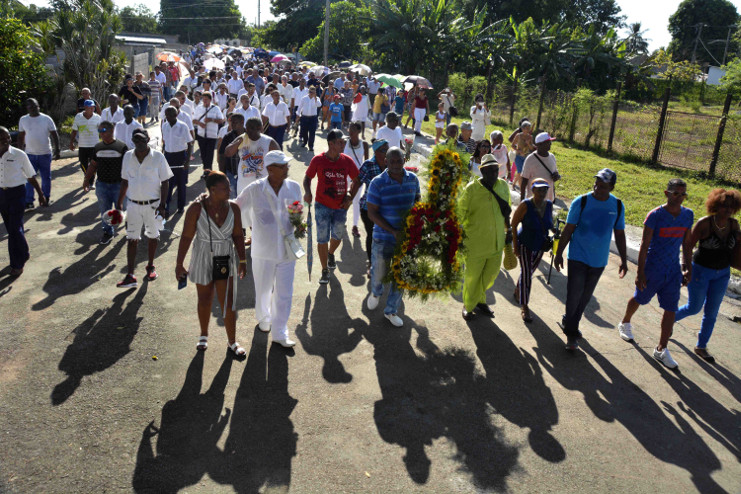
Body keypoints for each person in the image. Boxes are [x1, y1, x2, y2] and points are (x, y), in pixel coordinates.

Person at [617, 179, 693, 369]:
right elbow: (644, 245)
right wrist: (640, 272)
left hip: (673, 271)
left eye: (683, 194)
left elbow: (687, 244)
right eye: (676, 193)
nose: (680, 198)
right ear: (666, 193)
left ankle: (661, 349)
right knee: (640, 299)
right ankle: (625, 322)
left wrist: (686, 267)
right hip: (653, 268)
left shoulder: (688, 215)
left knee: (671, 309)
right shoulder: (655, 215)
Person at [554, 168, 628, 351]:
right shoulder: (582, 201)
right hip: (578, 256)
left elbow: (619, 234)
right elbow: (568, 229)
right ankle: (571, 333)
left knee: (585, 298)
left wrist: (624, 260)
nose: (597, 187)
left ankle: (570, 321)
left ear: (611, 187)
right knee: (574, 295)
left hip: (599, 261)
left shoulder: (617, 206)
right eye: (596, 183)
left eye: (603, 185)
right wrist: (559, 253)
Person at [175, 170, 247, 357]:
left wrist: (243, 260)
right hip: (202, 256)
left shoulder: (234, 208)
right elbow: (186, 237)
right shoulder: (196, 208)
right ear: (212, 190)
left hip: (225, 256)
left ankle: (232, 342)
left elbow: (238, 235)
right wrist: (179, 264)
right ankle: (203, 335)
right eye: (225, 188)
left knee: (228, 302)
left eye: (229, 187)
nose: (229, 191)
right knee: (205, 298)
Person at [234, 151, 301, 348]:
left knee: (285, 293)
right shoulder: (254, 189)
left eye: (286, 165)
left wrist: (299, 226)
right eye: (282, 166)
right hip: (263, 251)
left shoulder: (294, 187)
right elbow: (236, 208)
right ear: (270, 169)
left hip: (287, 250)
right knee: (263, 290)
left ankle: (280, 331)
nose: (287, 168)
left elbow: (296, 213)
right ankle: (264, 318)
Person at [674, 188, 741, 363]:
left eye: (731, 207)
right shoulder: (705, 223)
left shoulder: (734, 225)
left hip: (722, 274)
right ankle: (669, 320)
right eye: (724, 206)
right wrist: (685, 267)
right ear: (716, 205)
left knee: (712, 313)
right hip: (700, 271)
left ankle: (701, 346)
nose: (727, 210)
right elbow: (688, 245)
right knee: (694, 307)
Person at [365, 147, 420, 327]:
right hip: (383, 237)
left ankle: (391, 311)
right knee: (379, 273)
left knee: (400, 276)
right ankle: (375, 292)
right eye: (392, 161)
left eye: (399, 160)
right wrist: (392, 231)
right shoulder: (377, 183)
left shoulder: (413, 180)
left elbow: (417, 205)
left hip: (405, 239)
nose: (396, 164)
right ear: (386, 162)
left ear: (405, 160)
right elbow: (372, 214)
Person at [115, 129, 173, 288]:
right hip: (133, 205)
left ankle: (150, 266)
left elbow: (165, 181)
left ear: (148, 139)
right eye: (136, 140)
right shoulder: (127, 156)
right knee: (131, 239)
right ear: (132, 141)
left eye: (142, 140)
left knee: (153, 237)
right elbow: (124, 181)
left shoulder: (158, 157)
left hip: (153, 206)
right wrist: (120, 202)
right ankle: (130, 275)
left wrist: (162, 205)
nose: (139, 143)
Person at [459, 154, 511, 321]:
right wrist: (457, 237)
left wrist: (508, 230)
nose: (494, 173)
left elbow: (506, 211)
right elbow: (460, 214)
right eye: (490, 170)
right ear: (482, 171)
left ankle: (479, 300)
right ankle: (469, 305)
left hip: (497, 242)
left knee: (490, 275)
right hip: (475, 243)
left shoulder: (503, 186)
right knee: (472, 276)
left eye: (496, 170)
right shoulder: (471, 189)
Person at [303, 129, 359, 284]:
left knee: (338, 236)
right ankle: (324, 270)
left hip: (340, 207)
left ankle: (330, 252)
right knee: (322, 238)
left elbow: (357, 180)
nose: (344, 144)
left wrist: (350, 196)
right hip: (322, 206)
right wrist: (308, 192)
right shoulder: (318, 160)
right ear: (331, 144)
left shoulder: (347, 161)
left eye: (344, 142)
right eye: (340, 142)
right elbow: (307, 178)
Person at [0, 127, 46, 277]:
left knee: (14, 230)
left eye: (7, 137)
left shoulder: (19, 155)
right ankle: (24, 252)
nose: (6, 140)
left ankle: (17, 264)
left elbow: (31, 176)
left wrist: (40, 194)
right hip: (2, 195)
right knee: (12, 228)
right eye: (2, 138)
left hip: (17, 194)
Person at [511, 179, 553, 322]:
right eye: (539, 190)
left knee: (528, 272)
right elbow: (514, 223)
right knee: (528, 274)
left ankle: (518, 290)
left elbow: (549, 223)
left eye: (545, 190)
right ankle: (525, 306)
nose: (542, 193)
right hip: (525, 244)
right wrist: (515, 246)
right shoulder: (526, 205)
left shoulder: (548, 205)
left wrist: (559, 231)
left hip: (540, 246)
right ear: (533, 190)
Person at [83, 121, 127, 244]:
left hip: (118, 185)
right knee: (104, 211)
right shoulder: (97, 147)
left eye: (103, 131)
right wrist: (87, 179)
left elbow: (127, 167)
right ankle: (108, 232)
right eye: (99, 131)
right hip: (102, 185)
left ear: (112, 131)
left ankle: (130, 230)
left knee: (123, 209)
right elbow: (93, 165)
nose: (101, 134)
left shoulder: (121, 147)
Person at [349, 139, 388, 268]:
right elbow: (358, 182)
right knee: (372, 234)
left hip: (387, 208)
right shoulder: (368, 164)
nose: (387, 152)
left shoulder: (392, 163)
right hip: (368, 207)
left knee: (386, 236)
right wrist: (349, 198)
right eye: (384, 150)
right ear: (376, 152)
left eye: (388, 149)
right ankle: (372, 263)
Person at [17, 98, 59, 209]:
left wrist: (57, 150)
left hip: (45, 154)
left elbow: (54, 135)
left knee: (46, 177)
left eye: (35, 106)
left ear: (38, 106)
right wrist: (20, 152)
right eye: (30, 107)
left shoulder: (46, 119)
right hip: (29, 155)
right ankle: (29, 201)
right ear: (27, 108)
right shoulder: (23, 120)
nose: (33, 109)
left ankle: (46, 198)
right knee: (29, 178)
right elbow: (21, 137)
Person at [161, 106, 194, 216]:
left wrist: (187, 161)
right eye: (166, 115)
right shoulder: (164, 126)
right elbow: (164, 142)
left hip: (180, 157)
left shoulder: (183, 126)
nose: (168, 117)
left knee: (181, 184)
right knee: (167, 184)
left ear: (175, 115)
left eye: (170, 115)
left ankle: (180, 207)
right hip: (168, 157)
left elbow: (190, 143)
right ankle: (166, 207)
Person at [343, 123, 369, 238]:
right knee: (344, 198)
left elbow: (367, 163)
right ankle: (342, 219)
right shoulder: (344, 143)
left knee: (356, 201)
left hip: (358, 178)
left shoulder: (364, 144)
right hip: (345, 176)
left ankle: (354, 226)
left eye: (353, 129)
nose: (350, 131)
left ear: (359, 131)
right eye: (350, 128)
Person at [70, 100, 102, 190]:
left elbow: (101, 131)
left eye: (93, 107)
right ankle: (87, 177)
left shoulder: (97, 118)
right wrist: (71, 142)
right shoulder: (78, 117)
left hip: (94, 145)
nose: (92, 109)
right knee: (83, 163)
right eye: (89, 107)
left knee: (94, 164)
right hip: (82, 145)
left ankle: (91, 182)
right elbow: (74, 131)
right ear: (85, 108)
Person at [520, 132, 559, 202]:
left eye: (550, 141)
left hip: (549, 201)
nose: (550, 144)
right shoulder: (530, 159)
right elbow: (524, 181)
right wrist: (522, 200)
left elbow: (555, 175)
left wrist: (557, 176)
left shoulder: (552, 157)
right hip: (534, 201)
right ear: (539, 144)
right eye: (548, 142)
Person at [193, 92, 225, 171]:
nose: (204, 101)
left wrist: (211, 120)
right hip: (201, 135)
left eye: (206, 99)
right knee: (203, 154)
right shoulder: (198, 108)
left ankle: (208, 170)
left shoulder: (215, 108)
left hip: (212, 136)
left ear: (210, 100)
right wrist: (200, 123)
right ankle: (205, 169)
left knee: (209, 154)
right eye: (203, 99)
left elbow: (221, 120)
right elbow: (193, 120)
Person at [218, 113, 245, 198]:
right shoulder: (228, 136)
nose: (232, 124)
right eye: (231, 122)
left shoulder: (250, 135)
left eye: (235, 122)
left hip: (246, 175)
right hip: (231, 173)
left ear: (242, 122)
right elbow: (221, 155)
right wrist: (222, 173)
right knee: (233, 199)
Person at [297, 86, 322, 151]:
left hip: (313, 118)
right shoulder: (304, 98)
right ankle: (305, 142)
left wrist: (315, 98)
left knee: (312, 132)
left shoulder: (317, 98)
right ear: (308, 91)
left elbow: (319, 105)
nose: (311, 93)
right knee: (304, 132)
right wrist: (298, 115)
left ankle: (311, 145)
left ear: (315, 92)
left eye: (313, 92)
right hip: (304, 117)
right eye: (310, 92)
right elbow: (300, 107)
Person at [512, 121, 535, 189]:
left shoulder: (530, 137)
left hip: (526, 157)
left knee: (521, 172)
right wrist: (518, 150)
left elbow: (531, 148)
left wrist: (528, 144)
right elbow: (513, 145)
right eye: (525, 128)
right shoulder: (518, 136)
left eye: (528, 128)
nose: (527, 130)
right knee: (520, 172)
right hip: (518, 156)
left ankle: (513, 183)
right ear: (522, 128)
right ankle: (522, 189)